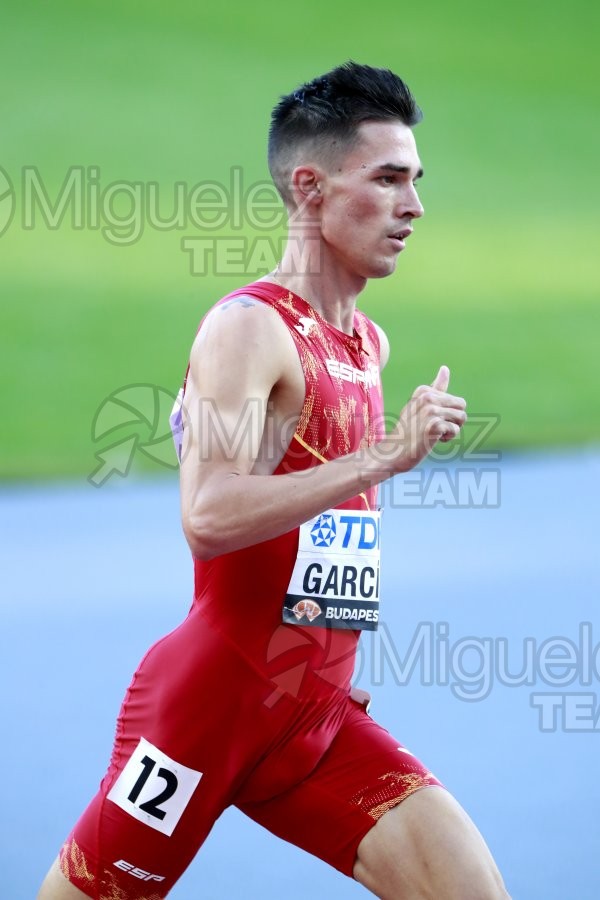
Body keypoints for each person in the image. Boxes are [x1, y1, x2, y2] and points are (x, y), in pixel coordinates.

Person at [39, 61, 510, 899]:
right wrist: (385, 456)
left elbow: (328, 524)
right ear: (310, 188)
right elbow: (210, 515)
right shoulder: (246, 330)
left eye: (417, 180)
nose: (414, 205)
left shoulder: (368, 345)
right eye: (388, 178)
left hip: (317, 716)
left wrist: (324, 641)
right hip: (209, 716)